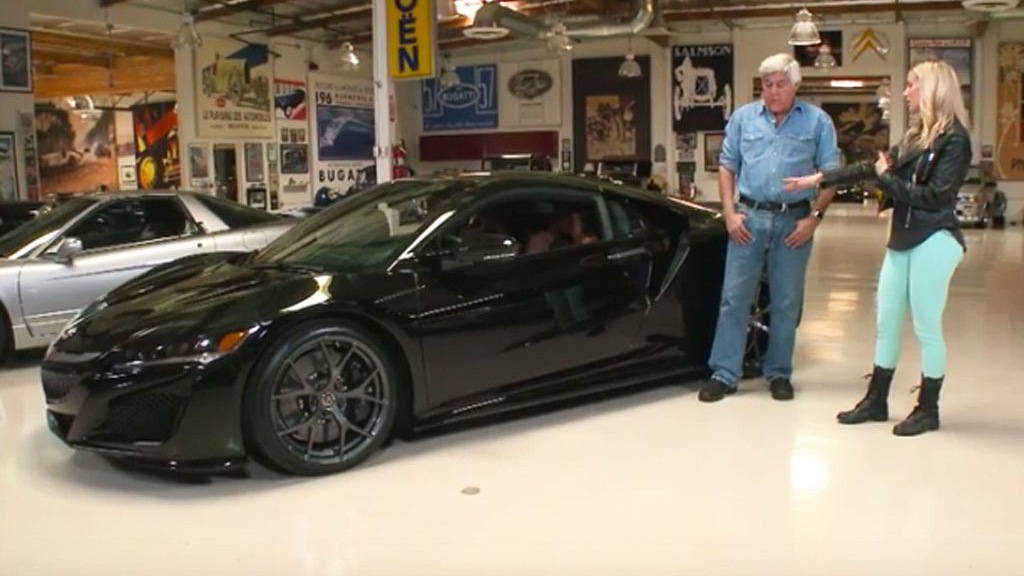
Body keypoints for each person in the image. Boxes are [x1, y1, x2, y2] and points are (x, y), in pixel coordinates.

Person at [782, 60, 970, 436]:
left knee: (926, 327)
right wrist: (820, 177)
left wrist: (887, 179)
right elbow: (873, 167)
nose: (905, 92)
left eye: (911, 84)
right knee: (885, 323)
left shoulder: (955, 140)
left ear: (932, 88)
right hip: (902, 239)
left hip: (935, 238)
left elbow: (935, 197)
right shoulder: (917, 136)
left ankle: (928, 409)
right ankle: (876, 400)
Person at [698, 53, 840, 403]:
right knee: (734, 298)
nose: (773, 92)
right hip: (749, 218)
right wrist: (729, 213)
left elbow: (831, 175)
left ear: (795, 86)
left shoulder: (817, 123)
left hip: (794, 221)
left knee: (786, 301)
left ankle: (778, 372)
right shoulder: (744, 119)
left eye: (780, 85)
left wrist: (814, 219)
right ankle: (724, 373)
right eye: (767, 85)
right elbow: (727, 166)